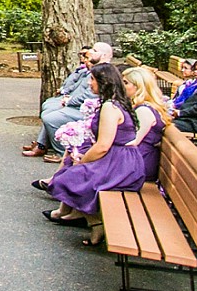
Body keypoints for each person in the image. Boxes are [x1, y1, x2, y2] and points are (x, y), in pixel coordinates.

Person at [44, 63, 158, 245]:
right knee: (69, 171)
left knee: (69, 178)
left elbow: (103, 145)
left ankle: (95, 222)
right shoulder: (116, 102)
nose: (90, 84)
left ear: (103, 82)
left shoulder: (110, 107)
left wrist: (82, 161)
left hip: (122, 165)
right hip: (121, 160)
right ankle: (94, 223)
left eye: (92, 79)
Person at [24, 43, 110, 160]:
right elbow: (76, 85)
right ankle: (42, 144)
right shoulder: (93, 69)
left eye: (94, 50)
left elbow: (89, 95)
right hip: (79, 105)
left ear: (103, 55)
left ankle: (62, 153)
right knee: (48, 108)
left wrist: (69, 101)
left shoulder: (104, 72)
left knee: (50, 117)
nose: (90, 53)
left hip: (88, 110)